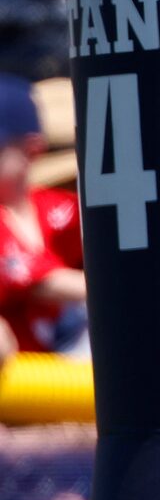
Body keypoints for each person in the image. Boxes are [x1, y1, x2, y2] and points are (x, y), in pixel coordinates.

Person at [0, 76, 80, 361]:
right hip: (23, 393)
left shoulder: (60, 207)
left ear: (31, 150)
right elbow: (41, 282)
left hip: (74, 386)